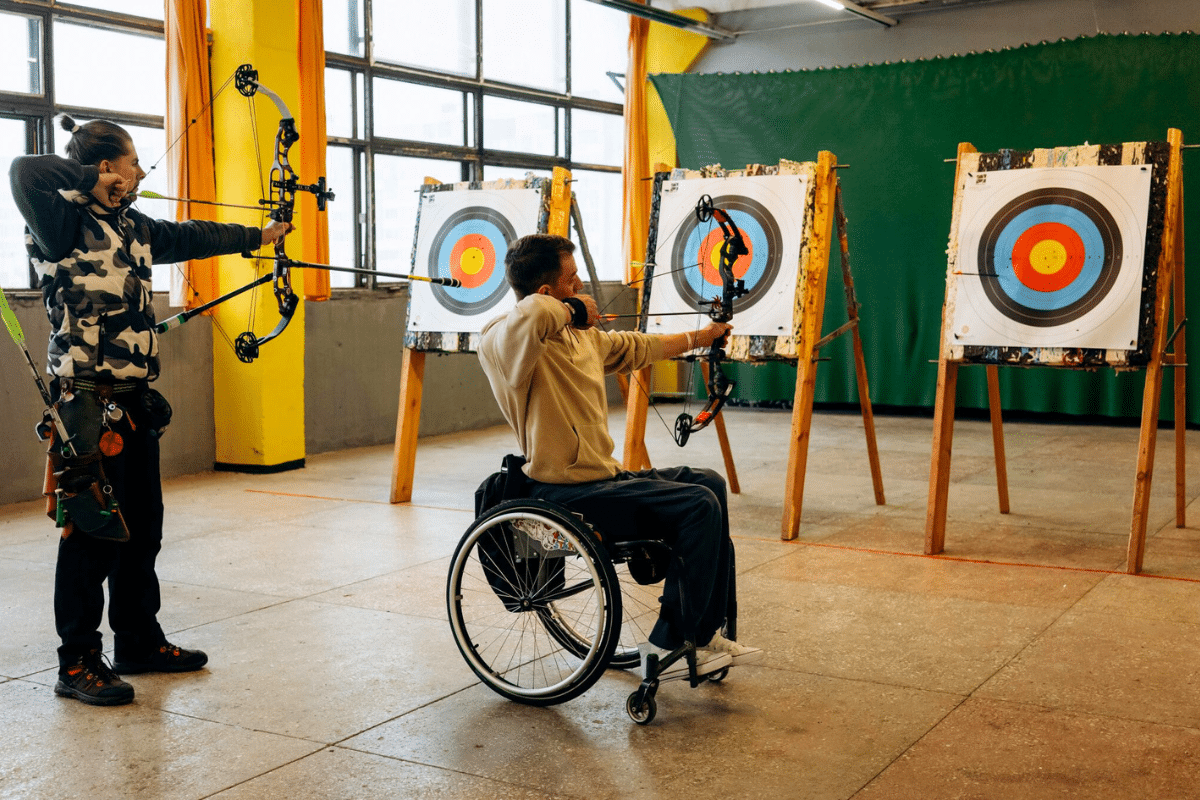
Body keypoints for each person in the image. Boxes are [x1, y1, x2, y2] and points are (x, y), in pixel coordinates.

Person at [9, 115, 292, 706]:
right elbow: (23, 170)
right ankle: (78, 662)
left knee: (142, 529)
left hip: (134, 404)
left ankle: (137, 640)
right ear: (107, 166)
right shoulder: (62, 222)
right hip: (84, 405)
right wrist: (92, 177)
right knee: (91, 532)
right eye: (131, 161)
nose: (140, 171)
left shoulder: (132, 226)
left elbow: (192, 236)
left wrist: (260, 237)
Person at [478, 233, 763, 680]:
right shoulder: (502, 340)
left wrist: (702, 336)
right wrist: (573, 309)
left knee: (708, 483)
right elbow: (531, 314)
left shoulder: (581, 339)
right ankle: (668, 642)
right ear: (549, 292)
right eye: (573, 282)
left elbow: (639, 346)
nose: (583, 291)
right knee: (696, 506)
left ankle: (704, 634)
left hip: (603, 480)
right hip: (562, 491)